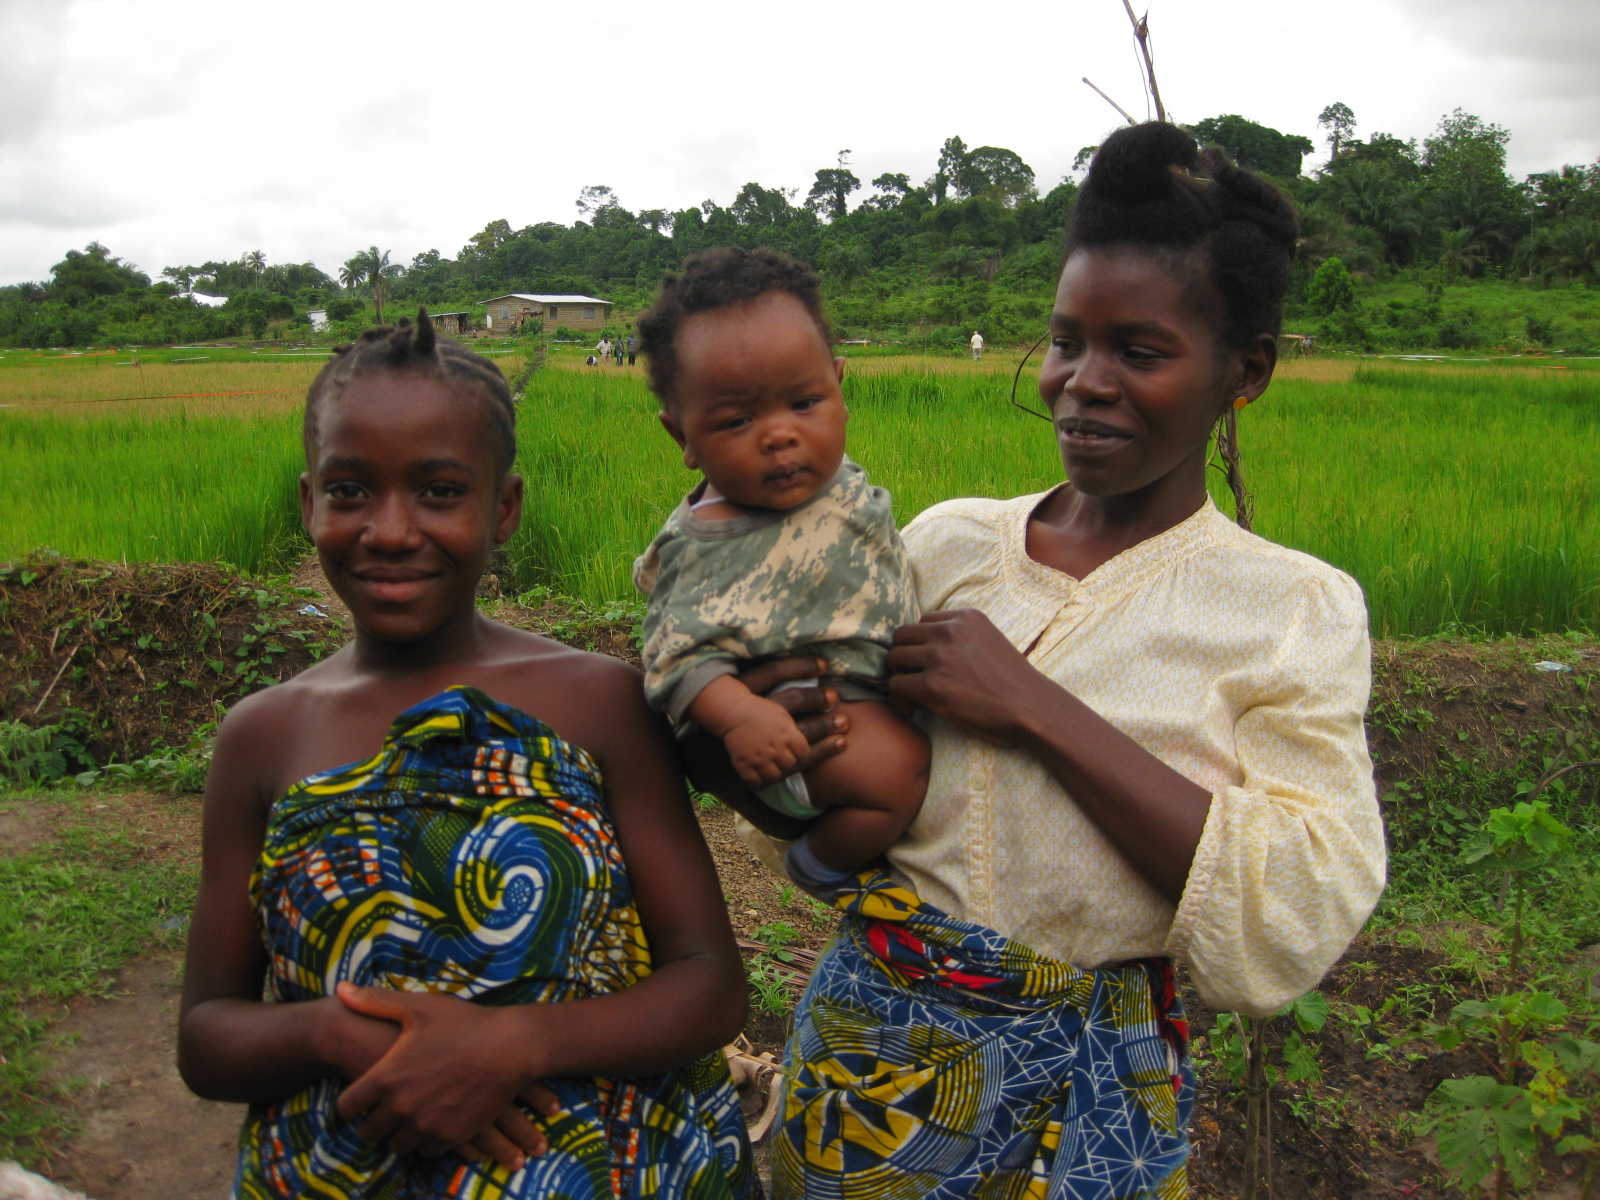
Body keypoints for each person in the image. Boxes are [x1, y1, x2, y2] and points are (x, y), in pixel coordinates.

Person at [697, 123, 1387, 1198]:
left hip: (1098, 1098)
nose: (1083, 383)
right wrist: (771, 724)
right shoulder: (947, 545)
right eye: (1067, 341)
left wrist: (1033, 705)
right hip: (875, 1065)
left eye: (1140, 352)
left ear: (1242, 372)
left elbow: (1292, 913)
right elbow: (802, 781)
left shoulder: (1292, 609)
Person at [177, 312, 755, 1199]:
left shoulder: (598, 701)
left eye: (440, 491)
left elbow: (711, 987)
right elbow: (208, 1036)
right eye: (350, 490)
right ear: (307, 505)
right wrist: (335, 1032)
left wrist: (514, 1043)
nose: (392, 529)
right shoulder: (263, 736)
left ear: (505, 508)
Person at [633, 246, 929, 890]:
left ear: (840, 389)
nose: (779, 435)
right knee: (900, 770)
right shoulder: (707, 541)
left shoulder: (835, 481)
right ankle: (819, 866)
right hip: (797, 727)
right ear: (681, 436)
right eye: (738, 420)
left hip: (867, 686)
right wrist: (739, 715)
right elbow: (672, 655)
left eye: (804, 403)